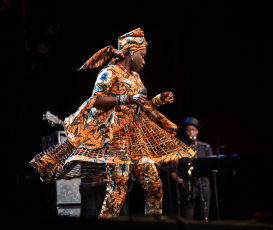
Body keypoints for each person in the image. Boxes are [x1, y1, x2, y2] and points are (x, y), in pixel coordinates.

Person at [30, 28, 195, 219]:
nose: (144, 61)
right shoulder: (109, 72)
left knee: (154, 185)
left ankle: (154, 224)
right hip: (116, 138)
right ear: (131, 54)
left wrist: (159, 100)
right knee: (117, 190)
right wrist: (125, 98)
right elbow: (96, 101)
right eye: (142, 56)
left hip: (136, 139)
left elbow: (139, 106)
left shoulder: (135, 77)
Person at [170, 117, 213, 220]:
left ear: (197, 131)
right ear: (185, 131)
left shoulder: (206, 147)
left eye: (193, 130)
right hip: (185, 189)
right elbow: (171, 169)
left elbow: (211, 167)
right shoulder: (178, 148)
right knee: (187, 219)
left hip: (203, 188)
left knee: (203, 219)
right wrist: (181, 181)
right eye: (188, 130)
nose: (191, 132)